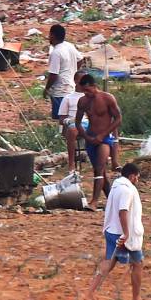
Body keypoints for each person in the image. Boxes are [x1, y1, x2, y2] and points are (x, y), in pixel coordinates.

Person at [83, 162, 145, 300]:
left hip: (111, 230)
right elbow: (123, 211)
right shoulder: (126, 190)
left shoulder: (116, 186)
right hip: (121, 233)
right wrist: (126, 233)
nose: (137, 180)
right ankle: (136, 299)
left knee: (109, 263)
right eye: (137, 177)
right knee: (138, 264)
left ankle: (90, 292)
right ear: (132, 176)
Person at [75, 74, 122, 207]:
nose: (87, 93)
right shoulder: (83, 102)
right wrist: (86, 136)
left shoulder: (107, 98)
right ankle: (112, 201)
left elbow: (118, 119)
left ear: (94, 86)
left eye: (88, 90)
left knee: (99, 168)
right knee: (101, 173)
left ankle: (94, 201)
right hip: (91, 138)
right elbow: (78, 122)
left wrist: (103, 135)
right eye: (84, 91)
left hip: (105, 139)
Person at [44, 23, 84, 125]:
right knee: (70, 117)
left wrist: (47, 89)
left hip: (60, 90)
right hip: (70, 87)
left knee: (60, 119)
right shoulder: (69, 46)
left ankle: (64, 137)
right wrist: (73, 74)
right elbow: (80, 59)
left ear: (52, 36)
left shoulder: (56, 52)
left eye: (49, 35)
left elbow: (53, 74)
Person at [57, 71, 86, 172]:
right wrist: (69, 121)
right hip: (74, 123)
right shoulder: (68, 98)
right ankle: (71, 163)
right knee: (72, 130)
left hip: (89, 123)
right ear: (75, 81)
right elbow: (61, 119)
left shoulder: (91, 96)